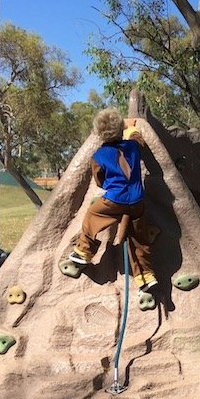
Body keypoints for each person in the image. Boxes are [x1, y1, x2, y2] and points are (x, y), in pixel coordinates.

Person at [67, 108, 157, 293]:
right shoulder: (132, 146)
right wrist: (131, 128)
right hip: (138, 200)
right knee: (138, 239)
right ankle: (146, 277)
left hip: (115, 199)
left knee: (93, 214)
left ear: (100, 133)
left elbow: (99, 181)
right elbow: (138, 138)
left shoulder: (99, 156)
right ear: (120, 129)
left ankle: (84, 251)